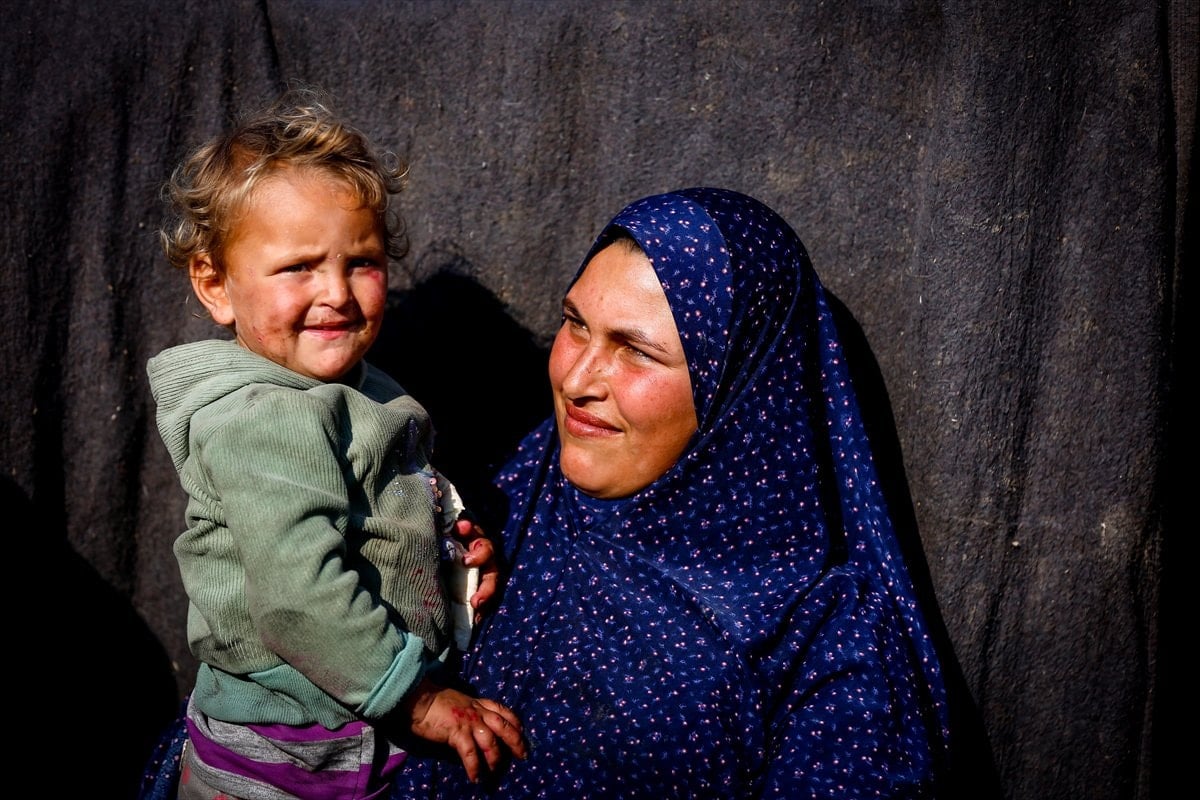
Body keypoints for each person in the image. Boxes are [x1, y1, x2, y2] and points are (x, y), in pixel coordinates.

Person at [391, 187, 951, 798]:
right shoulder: (505, 498)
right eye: (575, 325)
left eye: (636, 351)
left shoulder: (826, 644)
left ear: (735, 393)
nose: (576, 380)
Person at [143, 88, 526, 800]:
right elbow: (297, 598)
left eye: (363, 262)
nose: (338, 293)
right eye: (299, 267)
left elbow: (370, 516)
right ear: (216, 285)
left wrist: (445, 558)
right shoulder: (264, 417)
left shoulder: (352, 385)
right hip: (292, 756)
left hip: (345, 726)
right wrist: (418, 703)